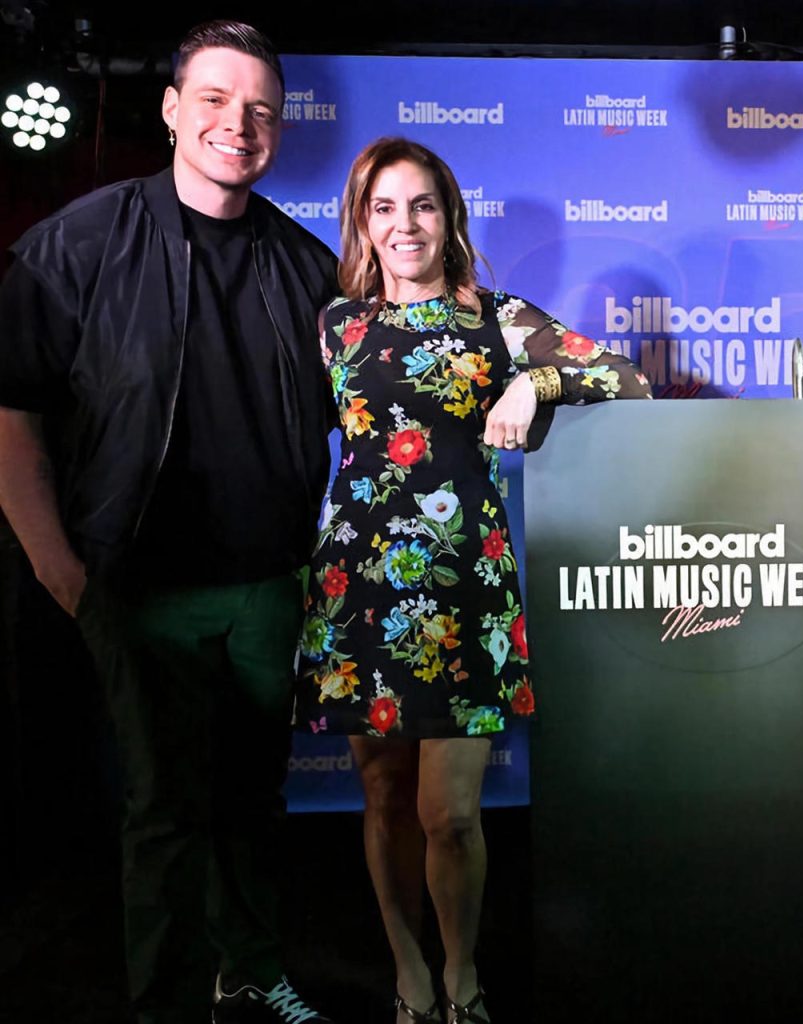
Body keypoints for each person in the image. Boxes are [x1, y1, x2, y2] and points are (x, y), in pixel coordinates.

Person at [0, 21, 337, 1024]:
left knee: (251, 804)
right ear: (172, 108)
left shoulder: (307, 263)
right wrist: (63, 571)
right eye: (218, 101)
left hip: (268, 585)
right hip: (138, 586)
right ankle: (166, 999)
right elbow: (11, 413)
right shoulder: (78, 241)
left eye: (262, 110)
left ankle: (250, 965)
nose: (240, 125)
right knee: (163, 812)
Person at [297, 136, 650, 1024]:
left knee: (449, 814)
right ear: (363, 223)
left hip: (461, 592)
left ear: (450, 217)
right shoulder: (338, 323)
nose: (404, 224)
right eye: (384, 208)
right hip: (359, 587)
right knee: (382, 796)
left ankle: (463, 977)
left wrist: (533, 383)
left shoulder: (495, 317)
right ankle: (410, 975)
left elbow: (627, 379)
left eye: (422, 205)